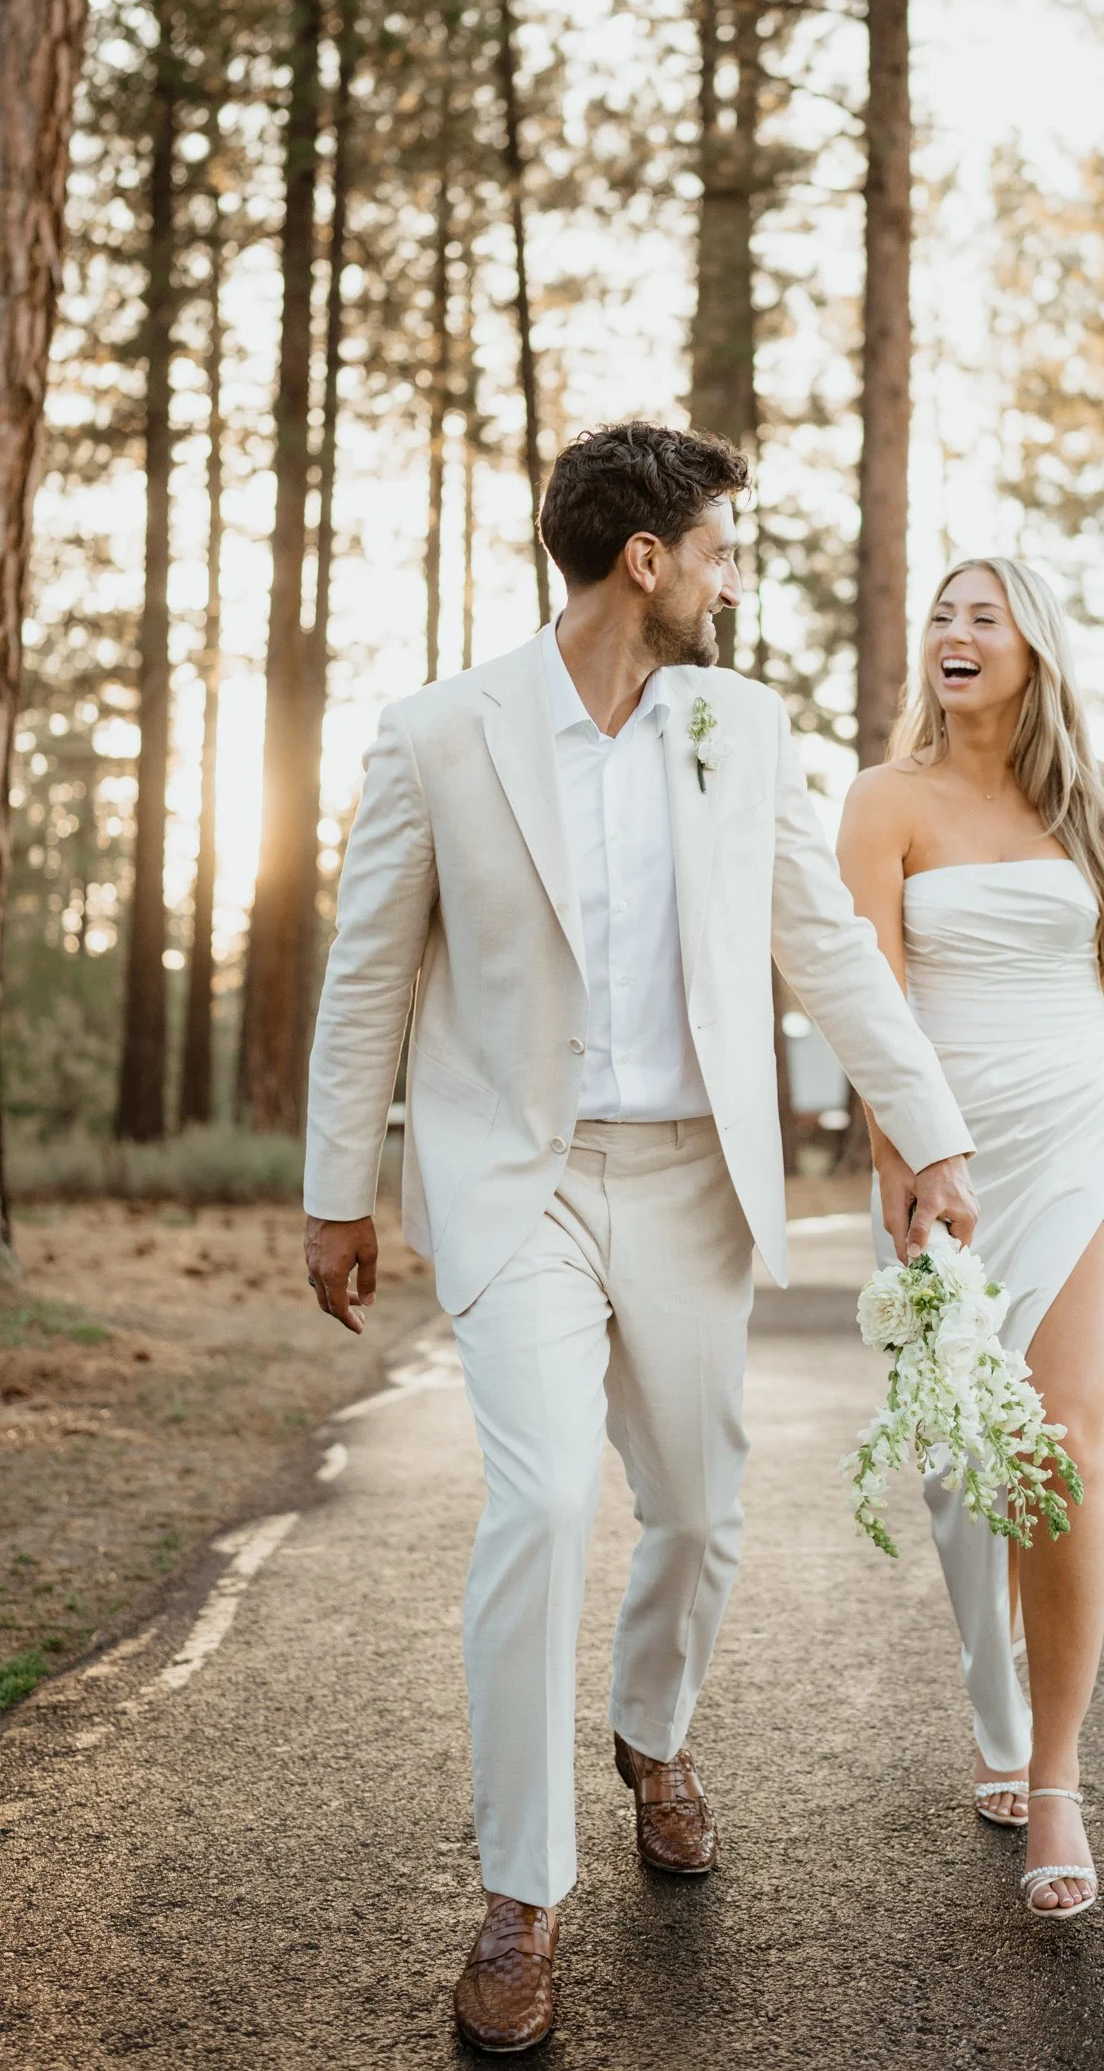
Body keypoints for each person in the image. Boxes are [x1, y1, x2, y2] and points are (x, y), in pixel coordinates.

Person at [302, 423, 978, 2052]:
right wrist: (342, 1190)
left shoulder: (737, 728)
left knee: (698, 1507)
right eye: (722, 547)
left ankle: (652, 1736)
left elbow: (822, 946)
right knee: (538, 1502)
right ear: (645, 561)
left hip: (691, 1180)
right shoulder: (438, 734)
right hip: (514, 1178)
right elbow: (370, 970)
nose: (734, 576)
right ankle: (520, 1901)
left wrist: (931, 1130)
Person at [837, 555, 1104, 1922]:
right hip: (949, 1148)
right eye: (942, 617)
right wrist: (902, 1161)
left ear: (1035, 648)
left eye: (986, 616)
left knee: (1061, 1442)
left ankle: (1060, 1770)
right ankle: (992, 1696)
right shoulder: (881, 802)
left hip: (1087, 1136)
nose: (955, 635)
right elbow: (869, 1008)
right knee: (974, 1473)